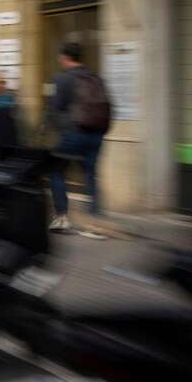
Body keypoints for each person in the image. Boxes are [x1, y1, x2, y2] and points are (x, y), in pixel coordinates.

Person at [47, 41, 112, 237]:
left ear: (65, 58)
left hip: (74, 133)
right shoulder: (95, 77)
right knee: (91, 174)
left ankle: (62, 218)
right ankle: (95, 222)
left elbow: (55, 109)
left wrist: (56, 130)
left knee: (56, 169)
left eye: (61, 57)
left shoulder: (63, 79)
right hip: (96, 134)